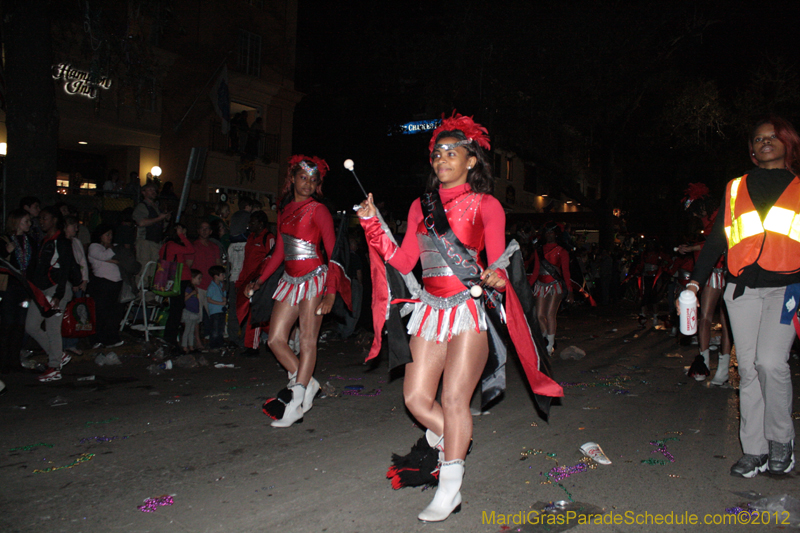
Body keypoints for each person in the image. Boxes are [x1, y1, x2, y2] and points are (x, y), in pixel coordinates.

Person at [357, 113, 562, 522]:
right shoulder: (421, 205)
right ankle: (456, 437)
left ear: (471, 161)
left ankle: (450, 489)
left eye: (453, 152)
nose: (442, 159)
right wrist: (373, 224)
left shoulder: (487, 204)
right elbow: (405, 260)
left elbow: (501, 261)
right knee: (415, 398)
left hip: (469, 310)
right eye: (437, 154)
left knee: (454, 399)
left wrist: (496, 276)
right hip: (430, 312)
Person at [682, 116, 800, 478]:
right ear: (752, 150)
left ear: (787, 144)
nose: (765, 142)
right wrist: (693, 284)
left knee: (770, 363)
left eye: (772, 137)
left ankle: (781, 441)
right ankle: (754, 450)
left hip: (788, 289)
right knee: (747, 369)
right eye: (758, 139)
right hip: (741, 291)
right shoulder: (735, 188)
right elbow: (717, 239)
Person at [249, 154, 349, 428]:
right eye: (303, 178)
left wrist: (330, 292)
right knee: (275, 340)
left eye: (312, 180)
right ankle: (306, 382)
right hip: (290, 280)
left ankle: (296, 401)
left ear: (317, 185)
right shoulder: (284, 211)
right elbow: (280, 251)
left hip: (315, 279)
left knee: (307, 341)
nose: (307, 183)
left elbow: (334, 253)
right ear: (292, 179)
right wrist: (260, 280)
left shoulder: (319, 210)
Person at [677, 183, 732, 384]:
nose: (694, 216)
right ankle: (707, 364)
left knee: (719, 320)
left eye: (695, 211)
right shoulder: (710, 216)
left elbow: (720, 242)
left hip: (725, 270)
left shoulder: (718, 214)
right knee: (709, 318)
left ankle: (718, 368)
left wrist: (692, 246)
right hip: (717, 270)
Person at [27, 207, 75, 382]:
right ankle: (58, 355)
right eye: (40, 219)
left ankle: (54, 367)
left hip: (56, 289)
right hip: (41, 290)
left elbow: (65, 269)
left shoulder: (61, 241)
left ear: (54, 220)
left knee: (52, 328)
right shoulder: (45, 240)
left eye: (44, 218)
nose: (41, 221)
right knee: (31, 325)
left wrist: (59, 294)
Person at [235, 209, 275, 356]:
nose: (249, 224)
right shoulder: (251, 238)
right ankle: (262, 343)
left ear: (261, 224)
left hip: (261, 282)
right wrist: (241, 282)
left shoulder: (269, 238)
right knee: (253, 313)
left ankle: (257, 345)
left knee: (257, 313)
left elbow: (273, 261)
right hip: (248, 281)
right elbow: (246, 263)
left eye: (253, 221)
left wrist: (265, 281)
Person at [528, 222, 573, 355]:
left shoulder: (562, 251)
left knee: (550, 315)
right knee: (539, 314)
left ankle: (549, 346)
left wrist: (570, 291)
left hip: (555, 285)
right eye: (547, 232)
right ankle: (546, 339)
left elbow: (566, 272)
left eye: (551, 232)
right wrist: (528, 286)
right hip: (540, 285)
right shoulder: (539, 250)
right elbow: (536, 270)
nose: (549, 234)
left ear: (556, 234)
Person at [0, 209, 35, 374]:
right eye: (26, 221)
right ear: (16, 222)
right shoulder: (5, 239)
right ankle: (4, 360)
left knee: (20, 324)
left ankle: (14, 362)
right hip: (9, 288)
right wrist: (6, 251)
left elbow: (34, 264)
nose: (29, 224)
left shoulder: (29, 241)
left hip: (24, 288)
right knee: (7, 323)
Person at [87, 224, 124, 348]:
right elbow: (103, 256)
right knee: (100, 312)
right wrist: (112, 253)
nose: (110, 237)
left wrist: (112, 256)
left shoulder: (111, 247)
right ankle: (96, 339)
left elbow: (120, 259)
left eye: (111, 235)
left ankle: (110, 338)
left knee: (113, 313)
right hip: (102, 283)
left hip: (115, 284)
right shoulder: (94, 247)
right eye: (107, 234)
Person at [159, 223, 195, 350]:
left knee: (175, 309)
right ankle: (171, 339)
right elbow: (191, 249)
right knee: (176, 311)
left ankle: (170, 337)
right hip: (179, 279)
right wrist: (182, 236)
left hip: (174, 279)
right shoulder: (173, 245)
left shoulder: (165, 246)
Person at [187, 220, 222, 347]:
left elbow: (218, 266)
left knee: (215, 315)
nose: (204, 231)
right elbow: (188, 266)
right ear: (198, 231)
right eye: (202, 228)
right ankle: (198, 341)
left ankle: (213, 340)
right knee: (196, 316)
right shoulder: (193, 246)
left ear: (211, 231)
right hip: (198, 286)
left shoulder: (215, 247)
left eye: (207, 228)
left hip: (211, 287)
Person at [133, 182, 170, 286]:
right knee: (144, 269)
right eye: (150, 190)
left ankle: (150, 297)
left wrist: (166, 220)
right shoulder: (142, 206)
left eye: (154, 190)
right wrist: (159, 218)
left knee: (154, 270)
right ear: (143, 192)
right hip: (145, 242)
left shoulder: (157, 208)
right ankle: (141, 297)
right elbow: (141, 222)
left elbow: (161, 228)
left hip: (156, 242)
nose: (153, 192)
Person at [62, 216, 90, 356]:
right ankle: (61, 345)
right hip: (67, 283)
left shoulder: (76, 242)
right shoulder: (61, 242)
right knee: (64, 315)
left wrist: (84, 280)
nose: (76, 229)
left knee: (77, 314)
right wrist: (72, 281)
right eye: (73, 226)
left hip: (78, 283)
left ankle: (72, 343)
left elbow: (82, 262)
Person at [181, 269, 203, 353]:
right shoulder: (188, 288)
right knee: (187, 330)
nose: (200, 280)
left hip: (194, 312)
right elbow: (184, 298)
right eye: (199, 278)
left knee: (191, 330)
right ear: (192, 278)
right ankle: (184, 346)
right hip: (188, 312)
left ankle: (191, 346)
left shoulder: (194, 288)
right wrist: (191, 294)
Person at [206, 265, 227, 349]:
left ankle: (219, 344)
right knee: (215, 329)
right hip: (215, 311)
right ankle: (214, 345)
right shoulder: (211, 287)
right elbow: (209, 299)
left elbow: (223, 295)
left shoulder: (221, 286)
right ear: (216, 276)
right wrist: (220, 303)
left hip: (221, 310)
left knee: (220, 329)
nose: (224, 276)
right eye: (222, 274)